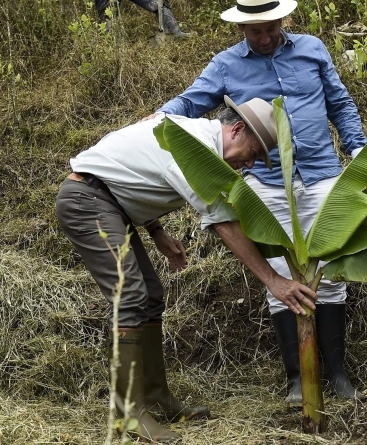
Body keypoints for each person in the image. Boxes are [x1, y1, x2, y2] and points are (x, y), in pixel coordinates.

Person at [56, 97, 317, 442]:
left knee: (150, 296)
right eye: (252, 153)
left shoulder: (192, 136)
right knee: (130, 295)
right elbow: (222, 221)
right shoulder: (193, 145)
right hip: (85, 201)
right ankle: (129, 416)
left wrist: (155, 230)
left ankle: (156, 397)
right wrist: (272, 279)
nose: (249, 163)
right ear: (236, 129)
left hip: (111, 204)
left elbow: (132, 171)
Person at [155, 0, 367, 404]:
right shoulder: (225, 65)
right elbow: (186, 105)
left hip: (323, 173)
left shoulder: (312, 49)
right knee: (282, 279)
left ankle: (338, 374)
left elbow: (340, 103)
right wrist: (153, 124)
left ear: (281, 18)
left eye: (272, 27)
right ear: (241, 29)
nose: (267, 37)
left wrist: (358, 148)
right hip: (266, 185)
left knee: (331, 275)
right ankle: (296, 377)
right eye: (257, 31)